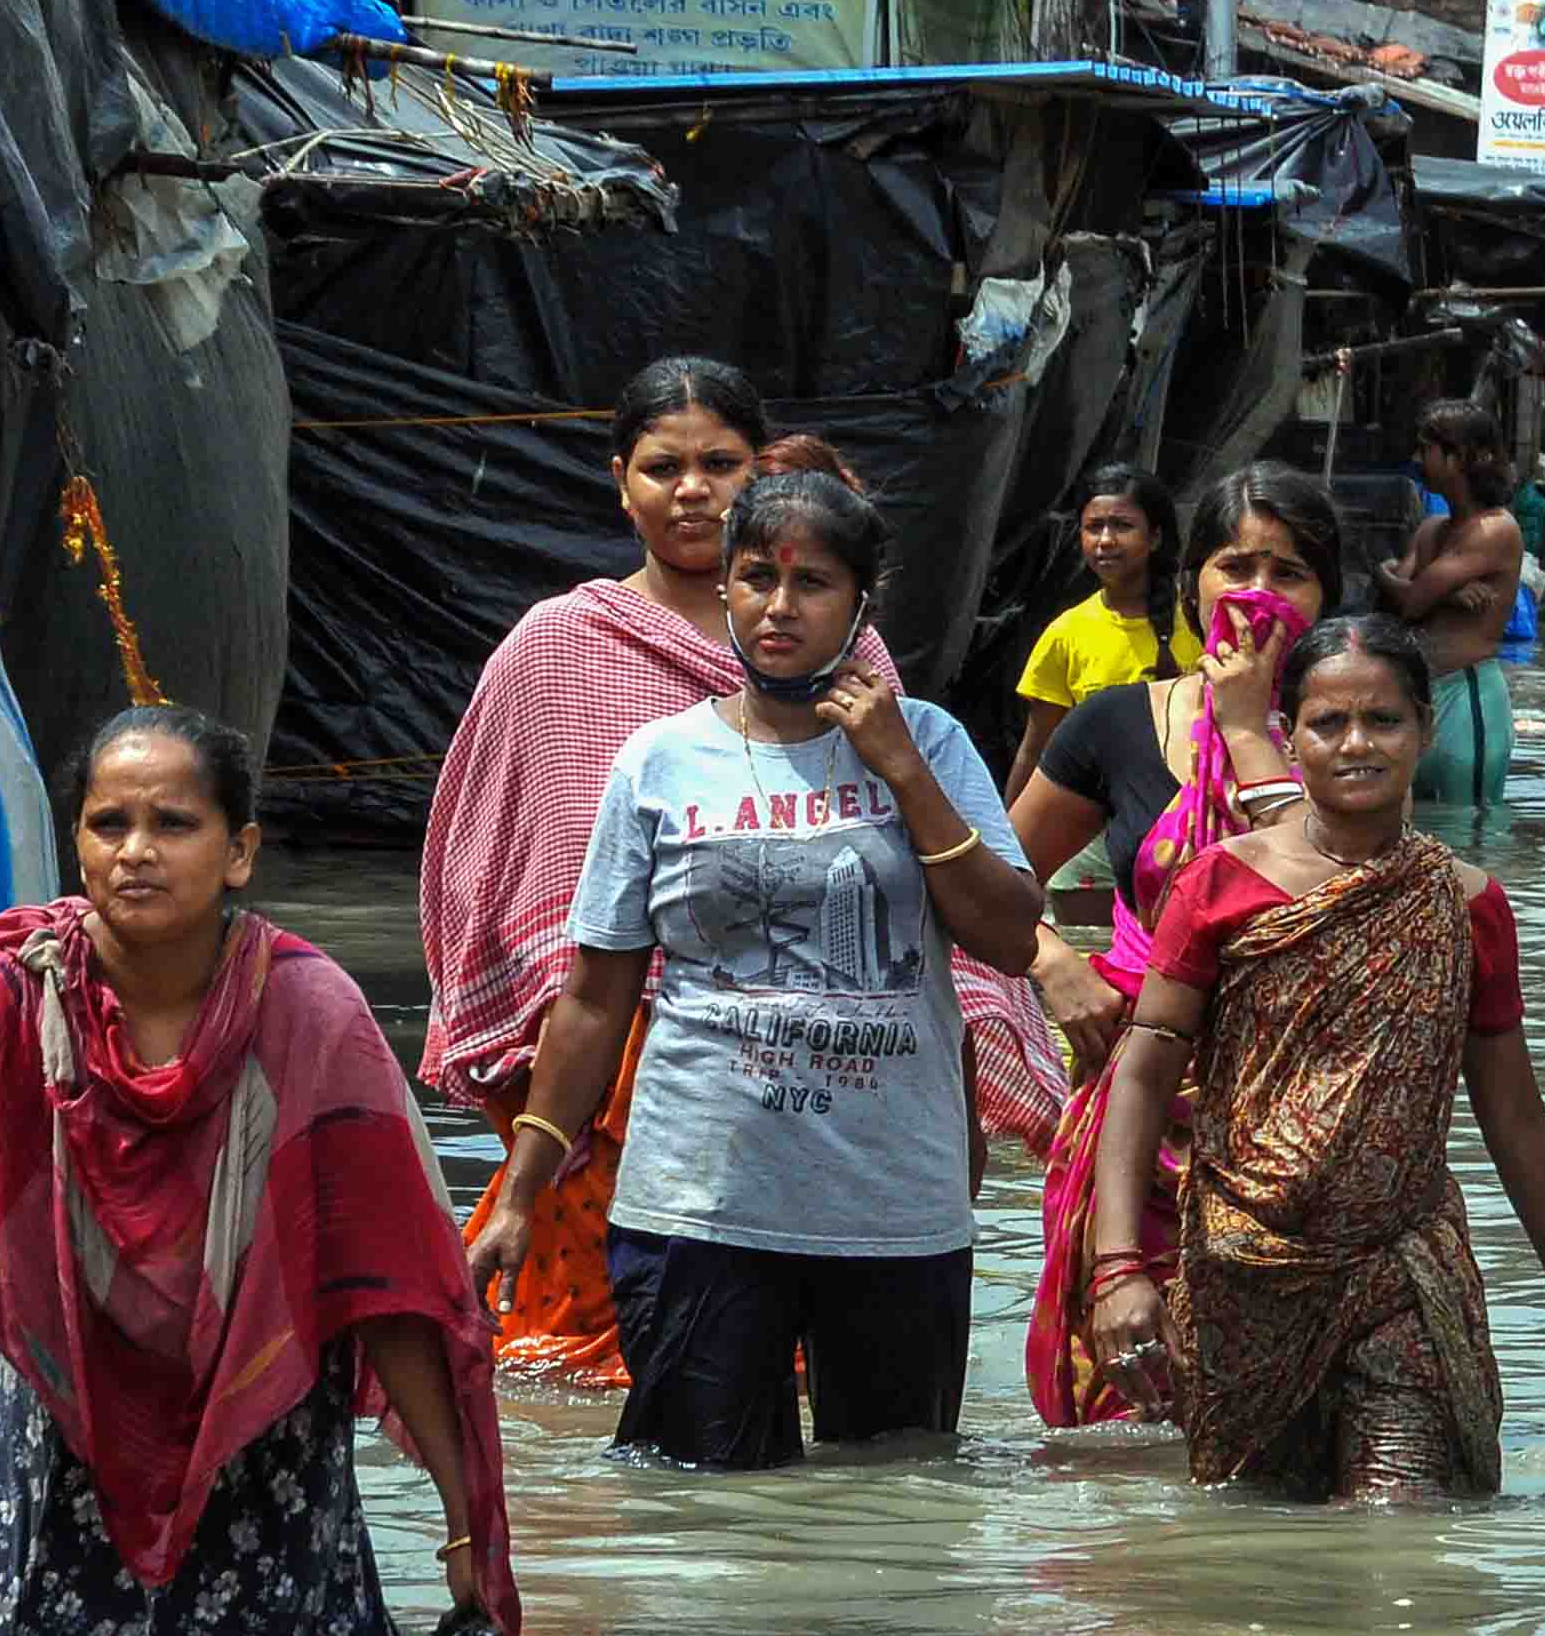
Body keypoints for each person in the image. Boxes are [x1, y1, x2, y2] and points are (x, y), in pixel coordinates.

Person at [0, 707, 516, 1636]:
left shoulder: (311, 1018)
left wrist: (466, 1529)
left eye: (173, 824)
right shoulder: (1, 1011)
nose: (136, 851)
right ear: (74, 846)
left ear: (241, 850)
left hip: (266, 1450)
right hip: (55, 1436)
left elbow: (386, 1294)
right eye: (107, 823)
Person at [416, 358, 1057, 1387]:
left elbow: (967, 913)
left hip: (868, 1126)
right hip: (655, 1089)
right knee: (633, 1398)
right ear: (620, 480)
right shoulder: (567, 653)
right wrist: (532, 1154)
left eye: (720, 463)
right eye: (663, 466)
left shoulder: (878, 689)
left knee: (872, 1452)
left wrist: (993, 1030)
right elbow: (494, 859)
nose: (692, 489)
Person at [1083, 615, 1545, 1499]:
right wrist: (1117, 1268)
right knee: (1252, 1548)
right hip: (1244, 1269)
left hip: (1402, 1264)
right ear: (1287, 737)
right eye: (1329, 724)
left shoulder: (1467, 904)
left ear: (1426, 730)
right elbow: (1141, 1074)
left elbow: (1514, 1115)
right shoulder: (1221, 883)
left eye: (1384, 721)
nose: (1357, 744)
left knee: (1398, 1537)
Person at [1011, 465, 1339, 1425]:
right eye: (1237, 564)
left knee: (1272, 1419)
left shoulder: (1355, 736)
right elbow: (989, 882)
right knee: (1125, 1427)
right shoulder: (1118, 723)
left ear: (1327, 597)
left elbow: (1343, 907)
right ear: (1192, 579)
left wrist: (1249, 728)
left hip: (1296, 1122)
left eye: (1290, 573)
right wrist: (1052, 962)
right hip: (1135, 1109)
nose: (1259, 594)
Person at [1010, 464, 1199, 792]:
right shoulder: (1066, 633)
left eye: (1122, 526)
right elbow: (1035, 751)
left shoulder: (1201, 621)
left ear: (1154, 537)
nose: (1106, 540)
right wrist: (1007, 838)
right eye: (1094, 527)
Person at [1385, 399, 1527, 813]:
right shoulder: (1432, 529)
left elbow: (1410, 599)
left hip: (1468, 699)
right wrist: (1439, 590)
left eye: (1426, 448)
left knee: (1472, 833)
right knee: (1415, 832)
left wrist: (1395, 577)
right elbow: (1399, 597)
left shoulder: (1494, 530)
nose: (1418, 459)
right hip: (1421, 697)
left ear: (1459, 456)